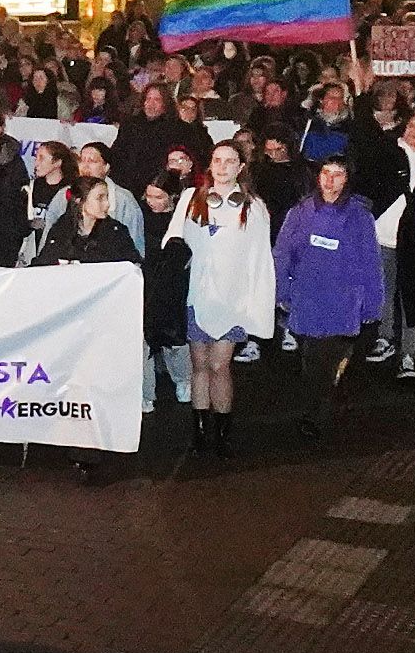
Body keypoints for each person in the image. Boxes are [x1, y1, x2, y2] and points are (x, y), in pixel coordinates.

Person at [34, 178, 144, 483]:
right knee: (72, 383)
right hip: (68, 324)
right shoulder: (61, 231)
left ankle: (93, 447)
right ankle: (76, 444)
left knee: (94, 383)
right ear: (80, 202)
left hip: (101, 326)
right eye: (99, 198)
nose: (106, 204)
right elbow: (41, 264)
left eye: (107, 197)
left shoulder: (115, 233)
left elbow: (132, 269)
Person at [273, 157, 388, 438]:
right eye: (325, 173)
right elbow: (282, 253)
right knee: (312, 361)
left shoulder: (360, 217)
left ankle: (314, 415)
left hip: (342, 301)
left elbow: (370, 262)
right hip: (307, 298)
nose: (330, 179)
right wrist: (281, 291)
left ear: (347, 179)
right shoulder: (300, 212)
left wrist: (372, 304)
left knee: (323, 361)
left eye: (338, 174)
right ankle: (317, 407)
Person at [179, 142, 276, 454]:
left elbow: (260, 259)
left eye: (229, 161)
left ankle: (222, 432)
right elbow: (176, 242)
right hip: (198, 295)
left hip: (232, 299)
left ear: (241, 167)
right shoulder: (193, 200)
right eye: (217, 160)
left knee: (221, 365)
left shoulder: (253, 208)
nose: (222, 167)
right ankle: (199, 431)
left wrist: (256, 305)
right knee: (199, 363)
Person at [352, 110, 415, 381]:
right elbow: (367, 178)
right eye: (410, 124)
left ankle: (408, 354)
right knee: (384, 290)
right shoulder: (389, 151)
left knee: (412, 296)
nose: (413, 129)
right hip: (383, 235)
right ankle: (385, 338)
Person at [138, 171, 195, 424]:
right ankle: (145, 393)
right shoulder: (140, 216)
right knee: (142, 342)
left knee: (174, 339)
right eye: (149, 196)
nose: (151, 201)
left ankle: (183, 381)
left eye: (158, 197)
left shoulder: (185, 219)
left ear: (172, 197)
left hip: (173, 286)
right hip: (145, 282)